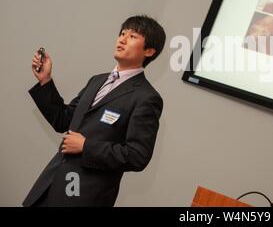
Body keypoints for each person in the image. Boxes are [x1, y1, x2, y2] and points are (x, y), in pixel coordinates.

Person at [23, 15, 166, 207]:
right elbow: (63, 120)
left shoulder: (146, 98)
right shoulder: (97, 80)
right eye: (122, 33)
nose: (122, 39)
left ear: (149, 51)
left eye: (132, 36)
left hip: (85, 197)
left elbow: (137, 155)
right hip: (50, 186)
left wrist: (86, 146)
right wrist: (45, 81)